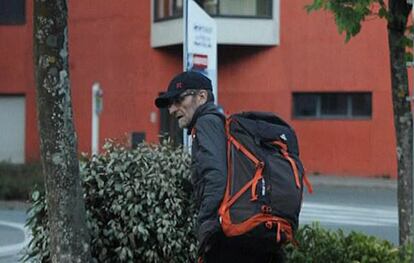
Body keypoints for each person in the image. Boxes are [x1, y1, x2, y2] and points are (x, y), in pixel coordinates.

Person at [155, 71, 283, 263]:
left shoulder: (206, 122)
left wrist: (205, 224)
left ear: (202, 96)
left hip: (231, 240)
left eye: (178, 100)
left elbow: (215, 176)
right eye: (170, 104)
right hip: (252, 234)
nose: (172, 109)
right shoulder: (219, 124)